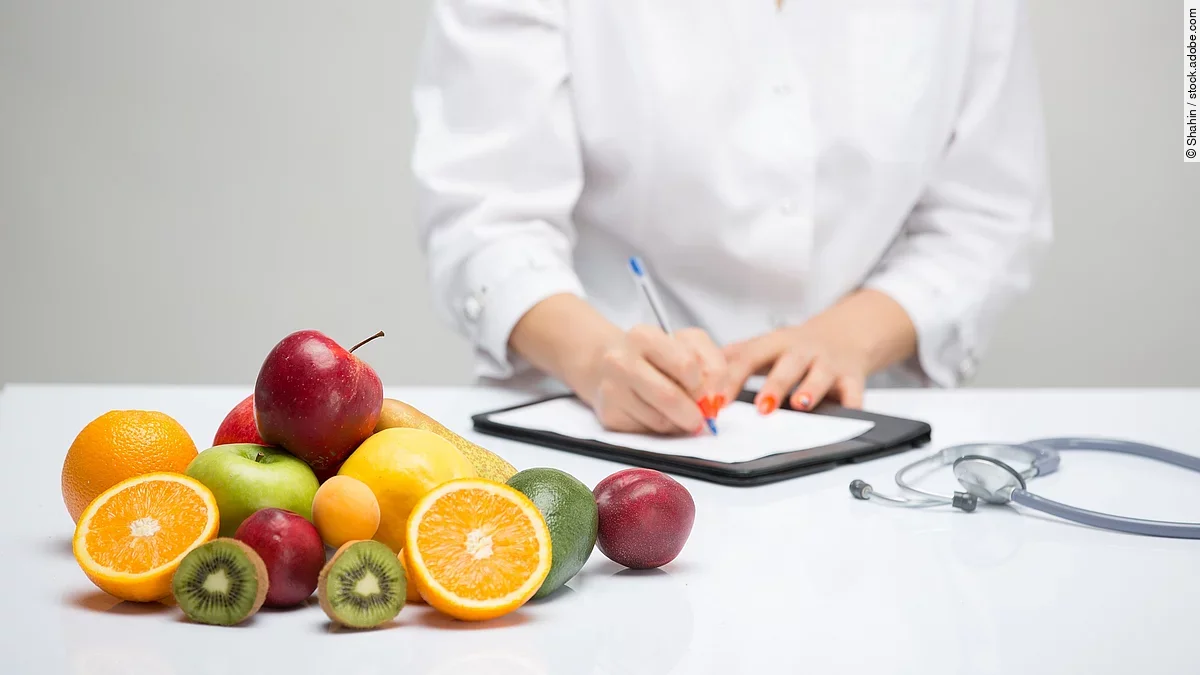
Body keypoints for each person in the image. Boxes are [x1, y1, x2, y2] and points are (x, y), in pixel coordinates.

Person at [411, 0, 1052, 436]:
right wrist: (598, 356)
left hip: (864, 424)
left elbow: (987, 213)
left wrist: (851, 337)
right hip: (594, 422)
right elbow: (485, 211)